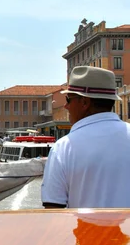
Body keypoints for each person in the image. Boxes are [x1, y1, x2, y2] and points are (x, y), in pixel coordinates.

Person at [42, 66, 130, 209]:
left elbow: (53, 210)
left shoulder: (64, 147)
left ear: (84, 103)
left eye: (68, 99)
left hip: (86, 231)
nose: (65, 106)